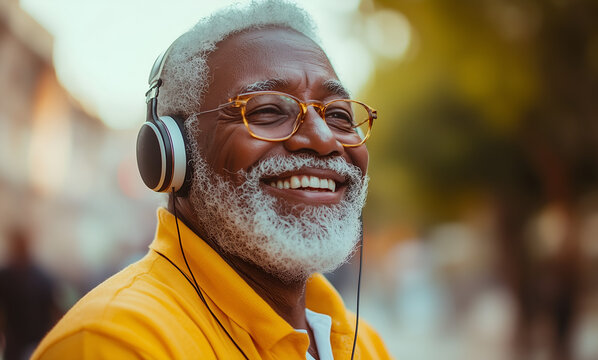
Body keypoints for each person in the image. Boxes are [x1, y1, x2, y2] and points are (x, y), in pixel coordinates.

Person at [33, 1, 390, 359]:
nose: (324, 139)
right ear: (174, 153)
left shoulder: (365, 345)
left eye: (340, 116)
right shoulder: (113, 341)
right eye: (266, 110)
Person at [0, 228, 58, 360]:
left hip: (37, 339)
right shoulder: (5, 276)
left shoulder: (43, 277)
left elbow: (54, 307)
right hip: (17, 343)